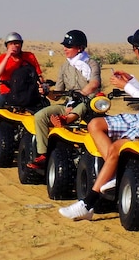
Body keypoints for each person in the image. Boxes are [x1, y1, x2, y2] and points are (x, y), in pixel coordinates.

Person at [59, 27, 139, 221]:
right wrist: (131, 81)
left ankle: (88, 203)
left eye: (134, 48)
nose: (133, 52)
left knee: (117, 148)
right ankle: (113, 172)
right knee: (95, 125)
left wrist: (126, 87)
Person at [27, 30, 102, 170]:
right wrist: (47, 91)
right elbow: (58, 94)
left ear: (79, 47)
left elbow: (94, 84)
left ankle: (64, 120)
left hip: (88, 103)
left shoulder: (92, 64)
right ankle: (43, 154)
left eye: (69, 46)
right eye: (65, 46)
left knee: (83, 105)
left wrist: (80, 95)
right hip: (68, 105)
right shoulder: (64, 67)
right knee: (39, 116)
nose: (65, 49)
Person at [0, 32, 43, 109]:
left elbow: (39, 75)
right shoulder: (1, 58)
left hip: (27, 93)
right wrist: (7, 56)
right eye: (11, 44)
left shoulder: (29, 56)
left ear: (21, 45)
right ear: (7, 46)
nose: (14, 46)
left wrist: (41, 86)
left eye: (16, 43)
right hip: (8, 93)